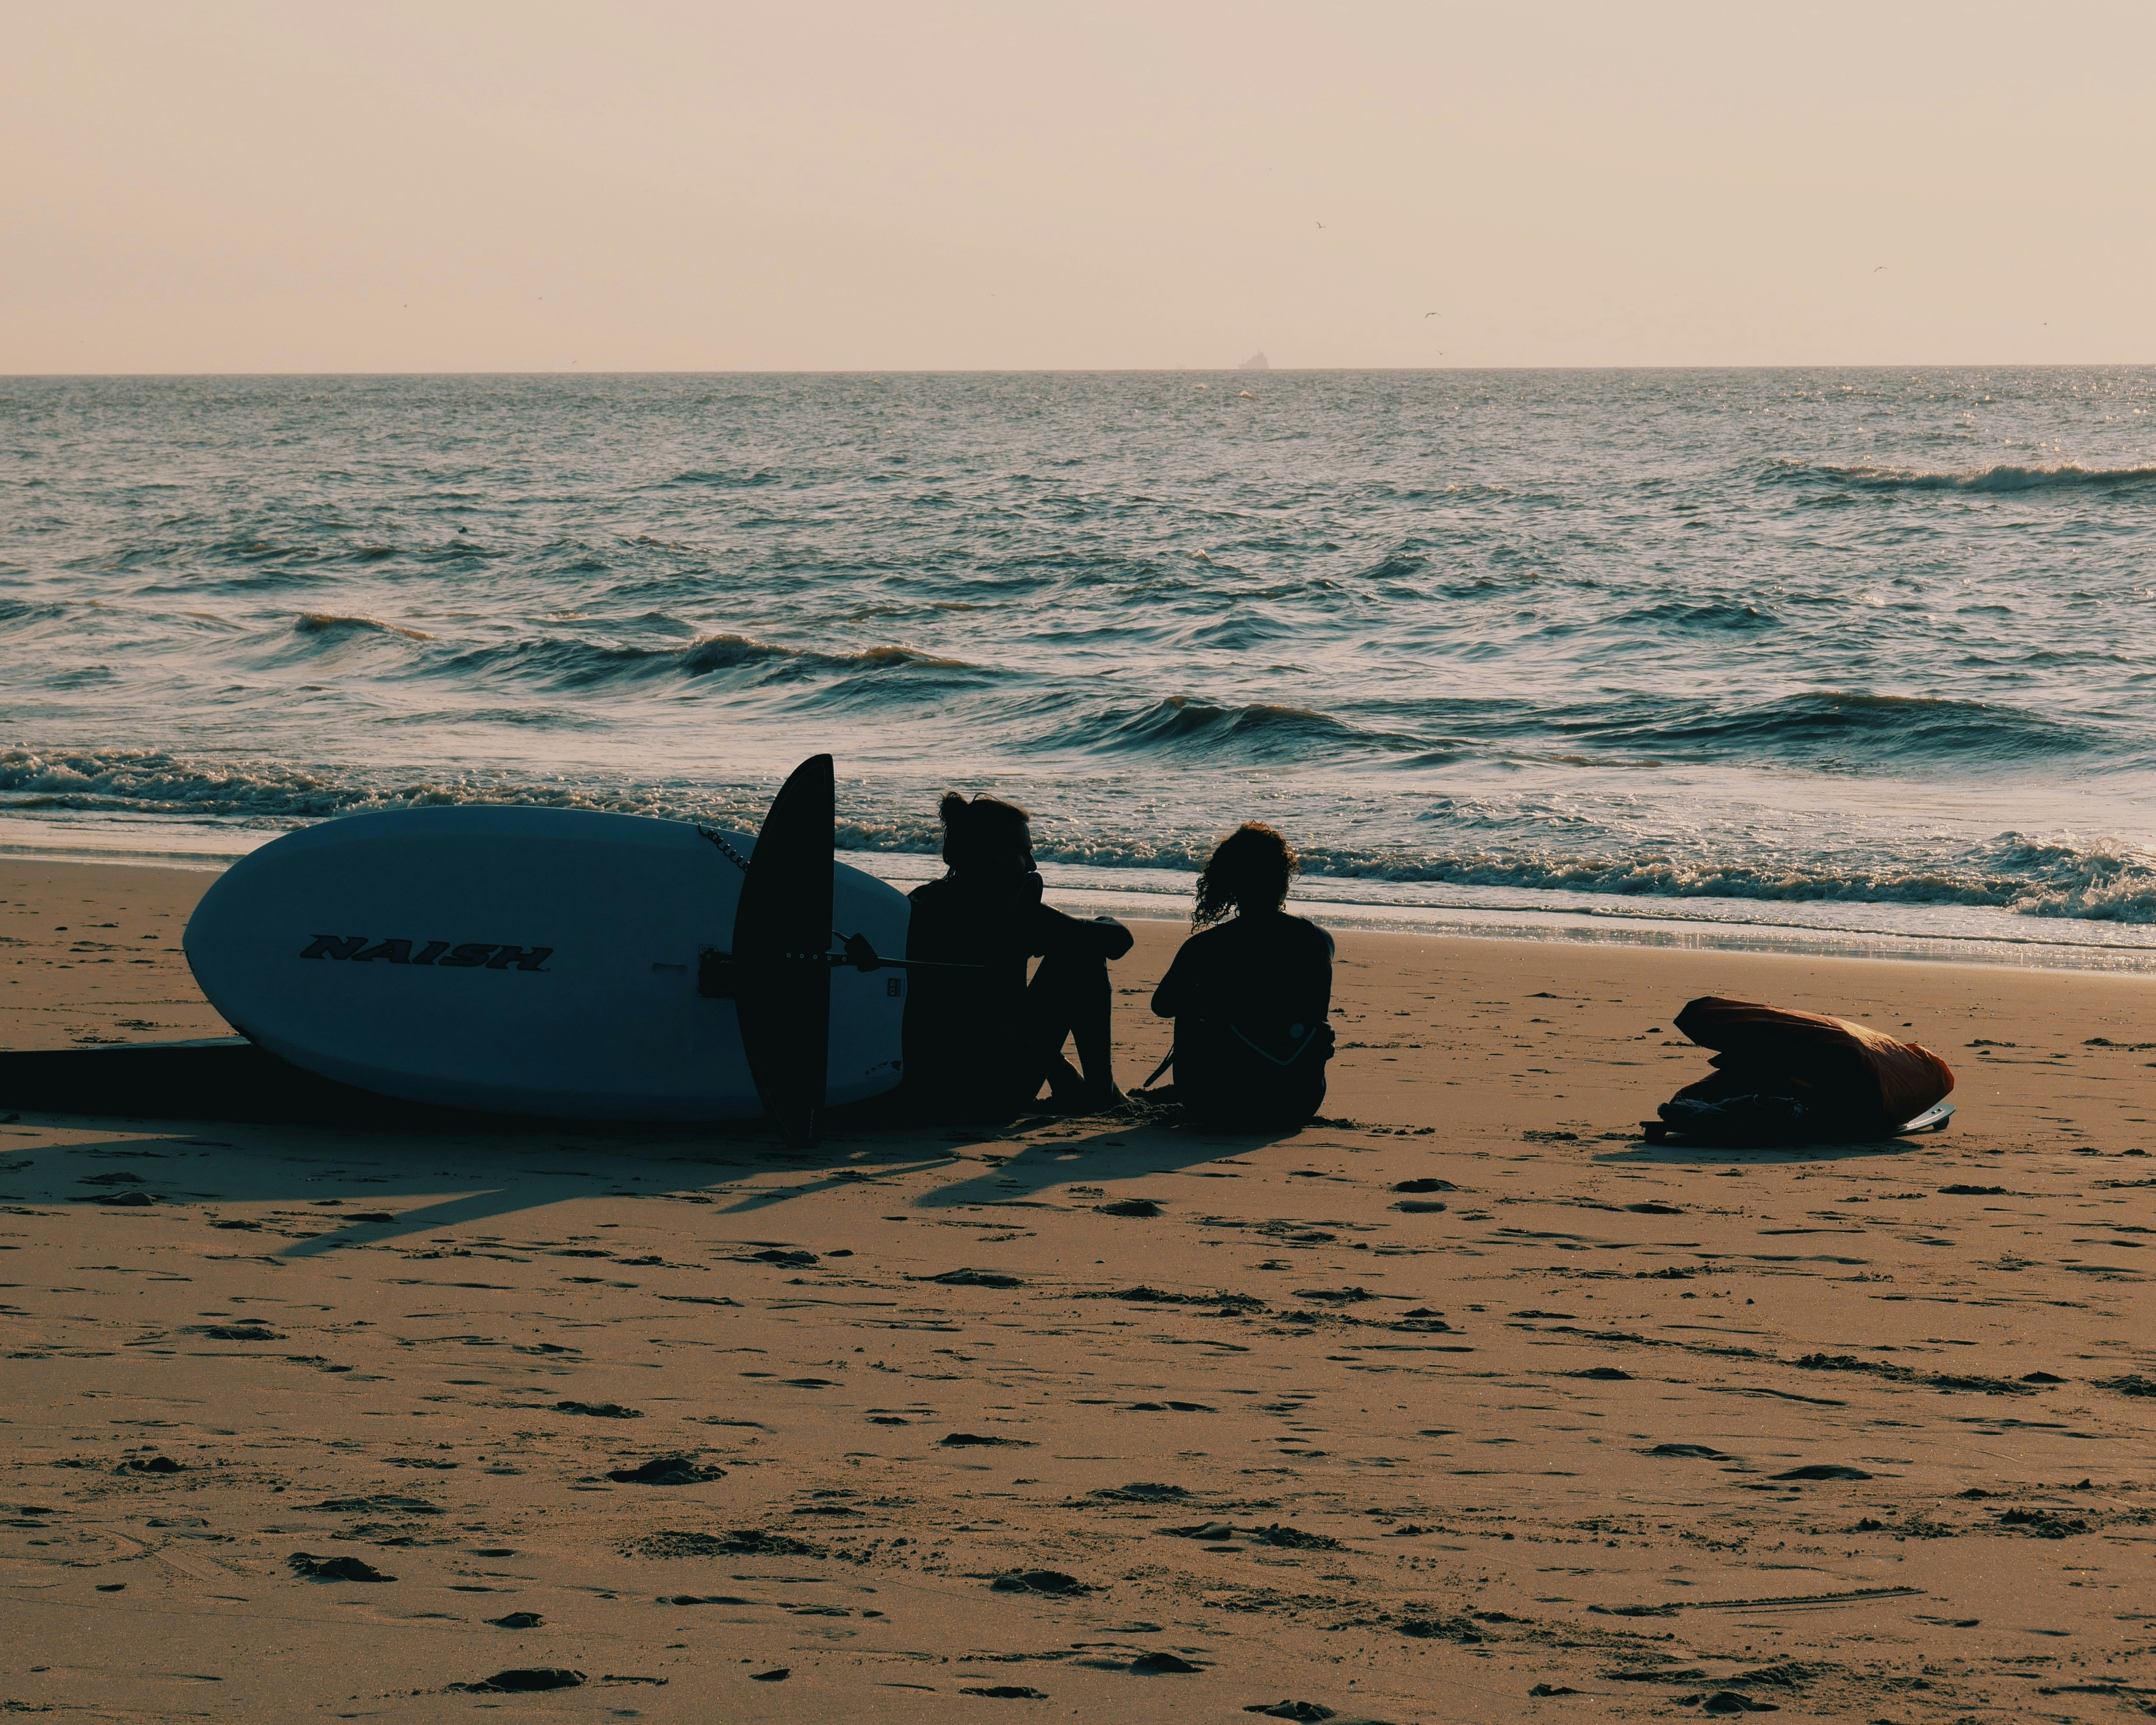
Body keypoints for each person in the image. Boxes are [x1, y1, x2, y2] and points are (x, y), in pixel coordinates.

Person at [901, 792, 1133, 1120]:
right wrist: (1099, 922)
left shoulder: (921, 903)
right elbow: (1118, 941)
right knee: (1081, 954)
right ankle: (1103, 1091)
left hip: (925, 1088)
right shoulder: (1011, 912)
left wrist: (1059, 1067)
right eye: (1024, 852)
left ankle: (1087, 1087)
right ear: (992, 856)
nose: (1033, 865)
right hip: (992, 1093)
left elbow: (991, 1004)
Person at [1149, 823, 1334, 1130]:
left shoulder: (1203, 947)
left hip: (1218, 1103)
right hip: (1298, 1101)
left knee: (1189, 1005)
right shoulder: (1319, 940)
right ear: (1283, 877)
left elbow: (1162, 1006)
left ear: (1229, 882)